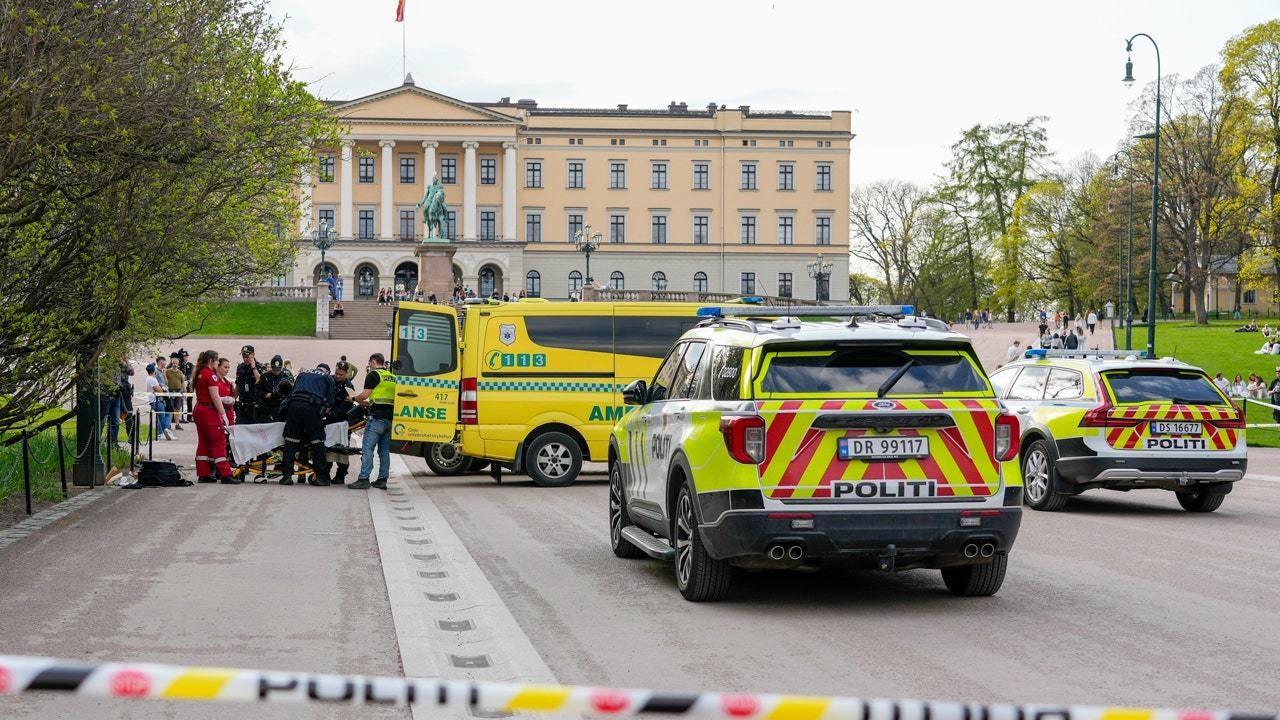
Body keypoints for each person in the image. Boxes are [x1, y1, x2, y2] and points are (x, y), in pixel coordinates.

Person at [280, 363, 337, 486]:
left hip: (294, 406)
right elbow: (331, 399)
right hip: (311, 407)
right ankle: (321, 477)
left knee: (290, 440)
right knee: (318, 441)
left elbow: (292, 391)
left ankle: (286, 476)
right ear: (327, 371)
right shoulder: (327, 378)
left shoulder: (303, 373)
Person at [349, 353, 395, 490]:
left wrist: (352, 398)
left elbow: (365, 395)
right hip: (389, 420)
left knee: (367, 449)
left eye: (370, 363)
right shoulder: (393, 377)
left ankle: (363, 479)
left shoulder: (373, 375)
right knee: (384, 451)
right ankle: (382, 480)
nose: (369, 366)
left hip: (376, 419)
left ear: (373, 362)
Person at [192, 350, 237, 484]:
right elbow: (215, 397)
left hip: (199, 409)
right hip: (209, 411)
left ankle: (203, 473)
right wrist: (224, 414)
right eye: (217, 361)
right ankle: (225, 474)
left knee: (204, 442)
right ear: (212, 361)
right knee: (219, 442)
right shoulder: (211, 375)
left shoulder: (200, 373)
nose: (218, 364)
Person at [328, 359, 358, 485]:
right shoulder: (329, 380)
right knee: (327, 447)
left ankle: (340, 475)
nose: (337, 376)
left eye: (340, 374)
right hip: (329, 421)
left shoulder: (349, 386)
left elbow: (346, 406)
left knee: (343, 449)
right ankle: (325, 472)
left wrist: (332, 414)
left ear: (346, 374)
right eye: (336, 373)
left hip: (342, 421)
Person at [145, 363, 175, 441]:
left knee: (161, 416)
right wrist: (163, 389)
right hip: (156, 401)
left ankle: (161, 432)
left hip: (156, 400)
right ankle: (162, 433)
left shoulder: (152, 378)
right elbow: (159, 390)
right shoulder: (151, 379)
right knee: (162, 417)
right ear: (153, 370)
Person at [235, 345, 264, 424]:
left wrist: (253, 368)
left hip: (255, 407)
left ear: (253, 355)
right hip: (242, 405)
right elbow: (238, 385)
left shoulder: (260, 367)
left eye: (247, 356)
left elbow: (261, 382)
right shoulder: (240, 367)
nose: (245, 358)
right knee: (239, 428)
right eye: (243, 355)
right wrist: (233, 399)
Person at [255, 355, 288, 422]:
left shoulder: (285, 377)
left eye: (278, 370)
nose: (276, 372)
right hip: (267, 409)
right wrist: (268, 395)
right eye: (274, 370)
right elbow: (257, 391)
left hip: (281, 408)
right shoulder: (265, 377)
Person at [164, 354, 185, 430]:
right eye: (173, 363)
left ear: (178, 364)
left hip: (178, 391)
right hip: (170, 391)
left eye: (176, 363)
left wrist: (183, 392)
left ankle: (177, 424)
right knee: (170, 408)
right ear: (171, 363)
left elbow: (182, 382)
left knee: (177, 409)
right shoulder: (167, 371)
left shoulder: (180, 372)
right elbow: (165, 382)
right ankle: (168, 424)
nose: (175, 365)